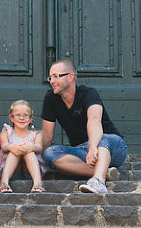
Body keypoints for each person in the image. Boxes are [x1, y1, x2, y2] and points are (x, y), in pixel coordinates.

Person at [41, 60, 127, 194]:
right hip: (82, 152)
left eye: (56, 76)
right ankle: (105, 172)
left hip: (112, 146)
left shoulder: (88, 93)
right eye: (50, 77)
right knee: (50, 153)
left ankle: (98, 180)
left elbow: (94, 120)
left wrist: (93, 146)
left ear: (70, 76)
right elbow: (47, 136)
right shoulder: (51, 98)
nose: (51, 81)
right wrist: (42, 163)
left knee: (102, 139)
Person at [0, 100, 47, 193]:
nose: (21, 118)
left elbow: (39, 148)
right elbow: (4, 146)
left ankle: (38, 183)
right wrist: (12, 147)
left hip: (31, 172)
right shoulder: (6, 132)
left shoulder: (36, 134)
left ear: (31, 118)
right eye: (18, 115)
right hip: (10, 171)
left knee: (29, 151)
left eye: (25, 115)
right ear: (11, 118)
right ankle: (4, 183)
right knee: (14, 151)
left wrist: (31, 148)